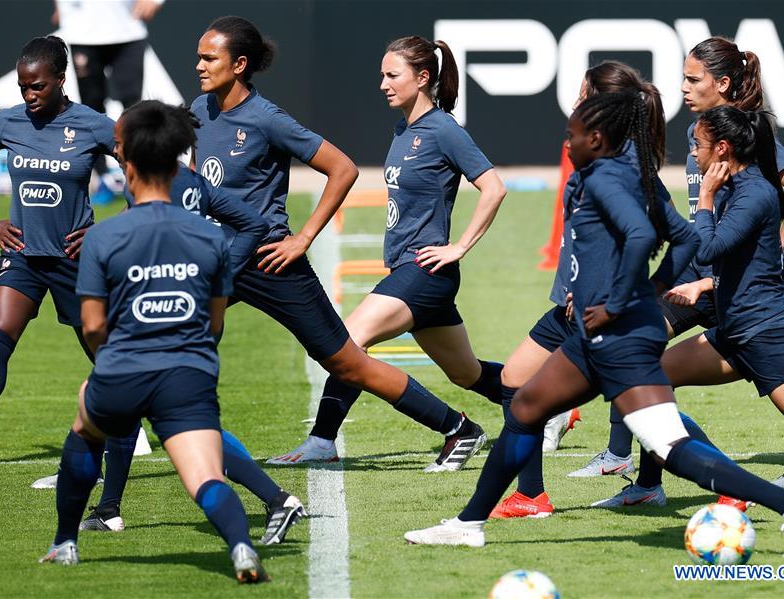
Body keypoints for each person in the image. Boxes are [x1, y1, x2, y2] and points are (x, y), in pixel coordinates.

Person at [403, 91, 784, 559]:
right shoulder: (626, 175)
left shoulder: (609, 178)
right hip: (599, 332)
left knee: (671, 446)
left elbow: (663, 237)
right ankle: (472, 521)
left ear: (598, 137)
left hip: (624, 335)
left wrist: (626, 297)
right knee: (524, 406)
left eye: (573, 135)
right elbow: (680, 239)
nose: (566, 144)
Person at [191, 16, 486, 472]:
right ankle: (108, 471)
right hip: (218, 260)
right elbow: (197, 183)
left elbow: (342, 169)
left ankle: (456, 428)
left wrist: (302, 238)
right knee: (158, 334)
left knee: (349, 360)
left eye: (209, 57)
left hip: (272, 262)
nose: (200, 66)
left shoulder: (267, 119)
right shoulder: (200, 110)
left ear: (240, 64)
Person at [39, 100, 269, 583]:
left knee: (87, 417)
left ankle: (65, 543)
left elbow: (94, 326)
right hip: (188, 376)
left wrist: (113, 362)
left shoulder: (103, 237)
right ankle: (242, 546)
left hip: (122, 370)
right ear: (179, 160)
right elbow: (215, 324)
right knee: (205, 475)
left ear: (128, 165)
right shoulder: (211, 239)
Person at [594, 37, 784, 506]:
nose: (682, 86)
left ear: (722, 84)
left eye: (692, 78)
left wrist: (763, 257)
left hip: (759, 309)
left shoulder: (744, 141)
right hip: (725, 294)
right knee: (648, 371)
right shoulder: (704, 134)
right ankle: (646, 484)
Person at [269, 35, 506, 468]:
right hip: (410, 269)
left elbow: (493, 187)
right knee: (467, 373)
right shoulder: (404, 128)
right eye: (382, 74)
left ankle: (327, 439)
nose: (383, 83)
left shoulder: (444, 130)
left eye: (392, 75)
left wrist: (459, 247)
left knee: (346, 342)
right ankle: (545, 407)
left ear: (422, 77)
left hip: (425, 270)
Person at [76, 155, 306, 544]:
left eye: (122, 142)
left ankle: (277, 498)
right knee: (142, 407)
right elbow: (250, 224)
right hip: (181, 315)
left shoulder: (166, 187)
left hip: (166, 317)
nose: (116, 151)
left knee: (181, 420)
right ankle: (109, 508)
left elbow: (251, 225)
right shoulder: (189, 183)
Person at [488, 61, 667, 518]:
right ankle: (532, 494)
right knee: (517, 379)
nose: (574, 100)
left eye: (583, 91)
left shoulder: (618, 169)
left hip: (598, 314)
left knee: (651, 415)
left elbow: (664, 237)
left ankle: (727, 485)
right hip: (575, 307)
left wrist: (617, 294)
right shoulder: (598, 159)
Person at [0, 36, 114, 469]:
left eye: (38, 86)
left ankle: (127, 428)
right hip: (21, 256)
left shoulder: (93, 124)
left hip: (74, 260)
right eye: (23, 87)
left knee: (103, 351)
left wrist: (109, 232)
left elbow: (142, 170)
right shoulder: (7, 123)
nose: (29, 95)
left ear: (60, 78)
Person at [54, 0, 165, 204]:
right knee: (91, 109)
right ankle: (102, 179)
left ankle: (141, 178)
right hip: (83, 32)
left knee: (134, 109)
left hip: (128, 30)